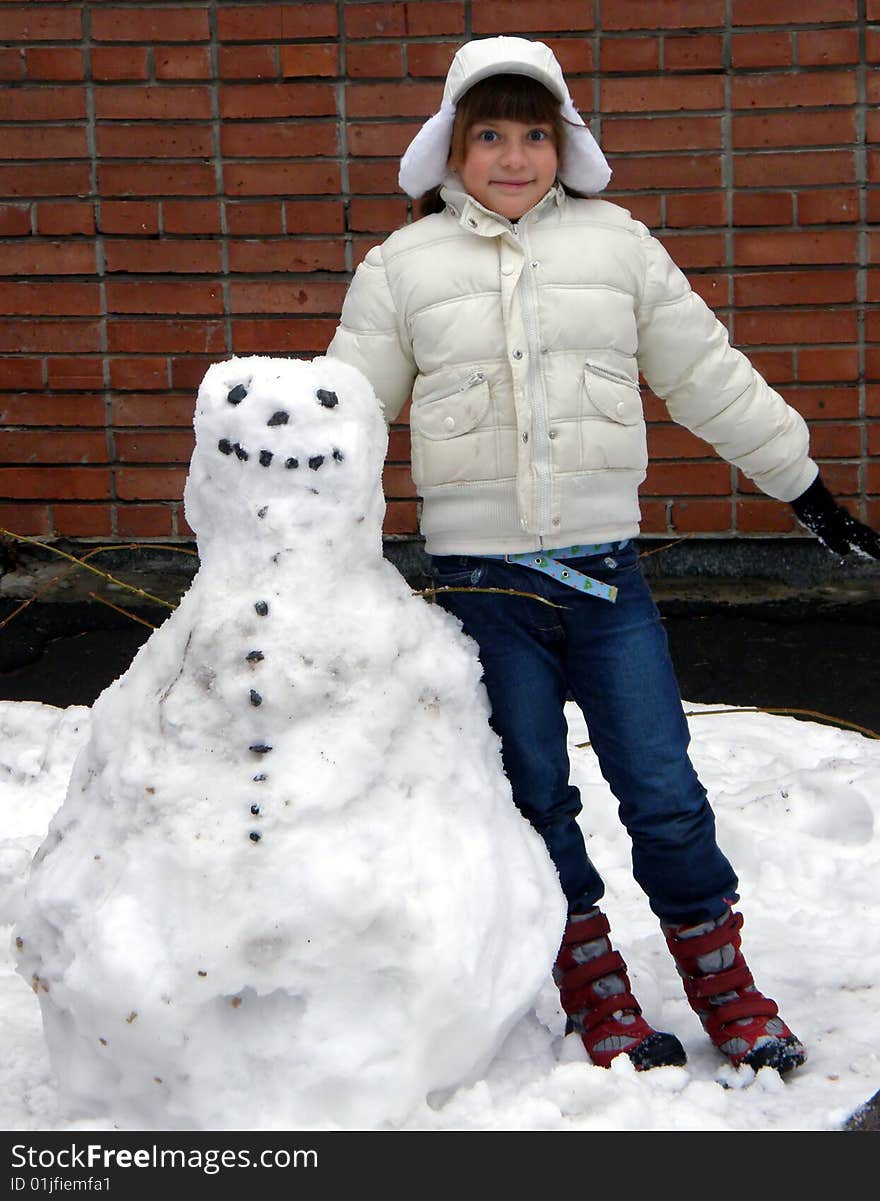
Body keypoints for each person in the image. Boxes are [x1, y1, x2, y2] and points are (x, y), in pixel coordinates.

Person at [327, 36, 880, 1075]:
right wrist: (293, 535)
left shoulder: (616, 246)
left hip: (607, 583)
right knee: (534, 793)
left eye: (533, 133)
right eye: (488, 133)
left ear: (563, 143)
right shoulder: (401, 269)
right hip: (482, 591)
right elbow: (345, 418)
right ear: (451, 146)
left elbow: (709, 374)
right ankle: (595, 992)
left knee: (663, 790)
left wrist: (804, 488)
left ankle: (725, 984)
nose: (512, 155)